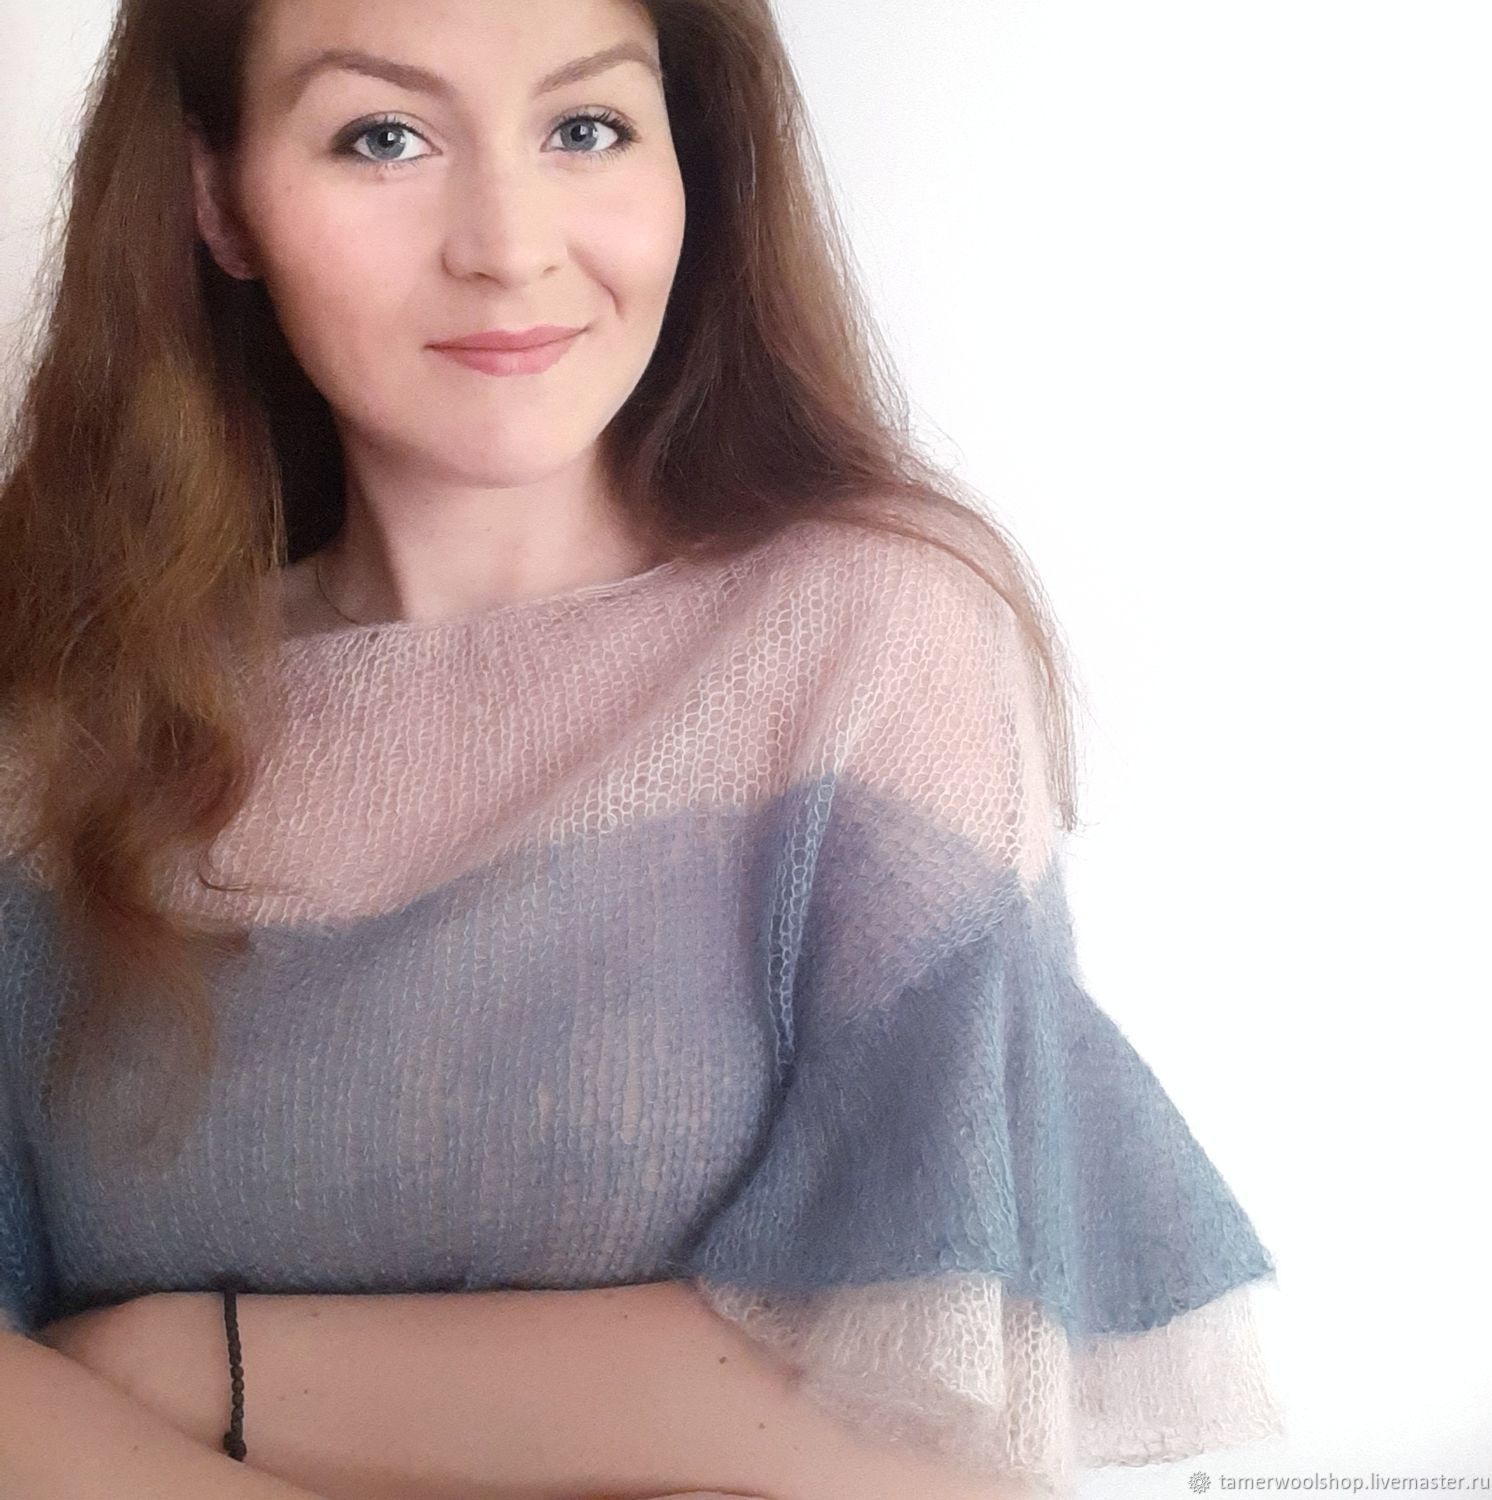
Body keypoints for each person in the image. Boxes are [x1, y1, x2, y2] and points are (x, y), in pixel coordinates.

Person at [0, 0, 1284, 1496]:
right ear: (219, 199)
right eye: (383, 136)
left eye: (586, 127)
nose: (508, 245)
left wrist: (193, 1363)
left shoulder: (865, 635)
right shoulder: (61, 723)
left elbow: (946, 1409)